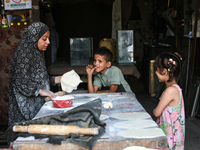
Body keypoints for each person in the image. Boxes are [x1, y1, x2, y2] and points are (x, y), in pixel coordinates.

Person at [8, 22, 61, 126]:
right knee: (23, 137)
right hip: (22, 108)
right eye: (44, 39)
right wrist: (41, 91)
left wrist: (60, 79)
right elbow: (21, 82)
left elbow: (40, 79)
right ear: (33, 38)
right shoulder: (23, 55)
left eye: (48, 38)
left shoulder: (37, 53)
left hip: (36, 107)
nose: (48, 42)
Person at [153, 52, 185, 150]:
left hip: (170, 139)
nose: (155, 73)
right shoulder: (175, 88)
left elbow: (157, 113)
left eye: (158, 70)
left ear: (165, 72)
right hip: (171, 136)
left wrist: (154, 110)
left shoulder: (170, 91)